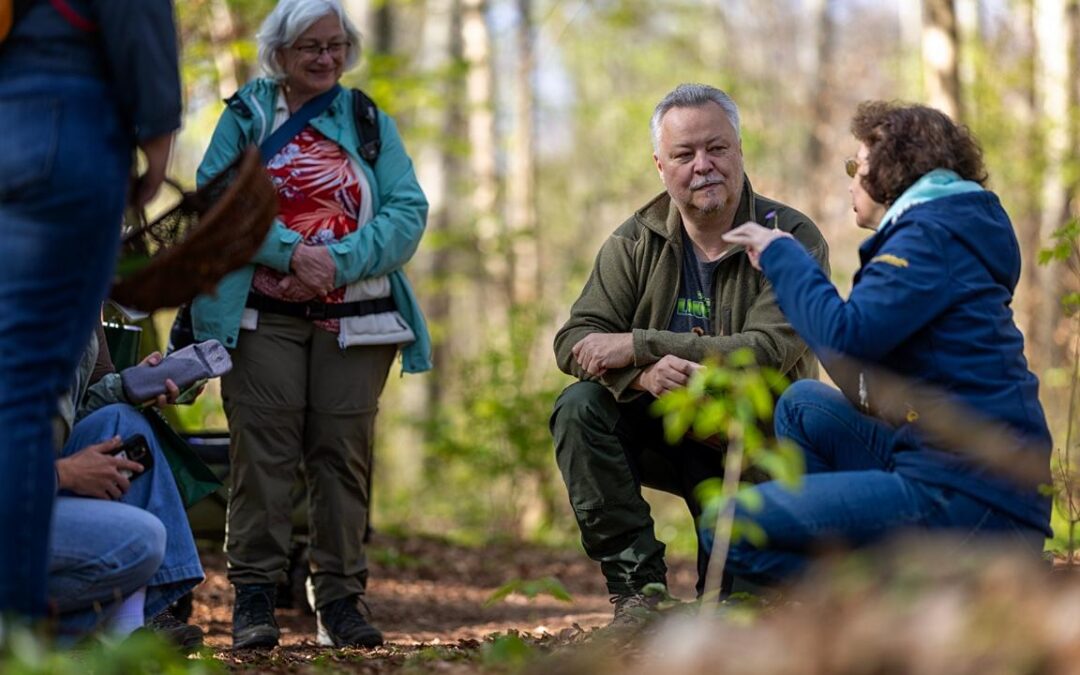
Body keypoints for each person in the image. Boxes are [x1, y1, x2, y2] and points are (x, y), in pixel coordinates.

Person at [720, 101, 1052, 585]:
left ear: (893, 172)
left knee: (729, 526)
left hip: (973, 497)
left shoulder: (928, 239)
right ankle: (863, 582)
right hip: (961, 475)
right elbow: (860, 364)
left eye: (858, 166)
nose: (851, 179)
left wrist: (783, 255)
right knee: (802, 404)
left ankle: (869, 597)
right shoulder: (943, 232)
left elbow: (846, 333)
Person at [190, 0, 430, 650]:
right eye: (309, 47)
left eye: (335, 45)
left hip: (354, 317)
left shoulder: (367, 118)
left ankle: (340, 600)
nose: (325, 58)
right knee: (261, 457)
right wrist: (290, 252)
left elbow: (408, 210)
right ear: (280, 53)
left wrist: (338, 260)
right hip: (259, 314)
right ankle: (255, 598)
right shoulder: (246, 115)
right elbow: (213, 197)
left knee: (342, 459)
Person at [550, 83, 828, 627]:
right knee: (580, 406)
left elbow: (768, 350)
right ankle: (639, 591)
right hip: (667, 433)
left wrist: (640, 343)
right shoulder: (636, 241)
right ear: (660, 165)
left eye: (717, 148)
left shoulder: (789, 236)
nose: (703, 166)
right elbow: (575, 339)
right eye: (684, 154)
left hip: (756, 447)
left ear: (740, 150)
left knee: (734, 614)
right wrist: (641, 375)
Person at [0, 0, 181, 623]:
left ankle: (136, 625)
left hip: (24, 105)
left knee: (100, 419)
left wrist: (136, 381)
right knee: (22, 394)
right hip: (65, 103)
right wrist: (157, 134)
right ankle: (20, 632)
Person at [47, 324, 205, 650]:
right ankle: (40, 631)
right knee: (140, 540)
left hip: (31, 484)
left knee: (122, 421)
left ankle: (130, 626)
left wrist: (131, 387)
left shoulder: (79, 293)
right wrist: (64, 473)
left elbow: (77, 407)